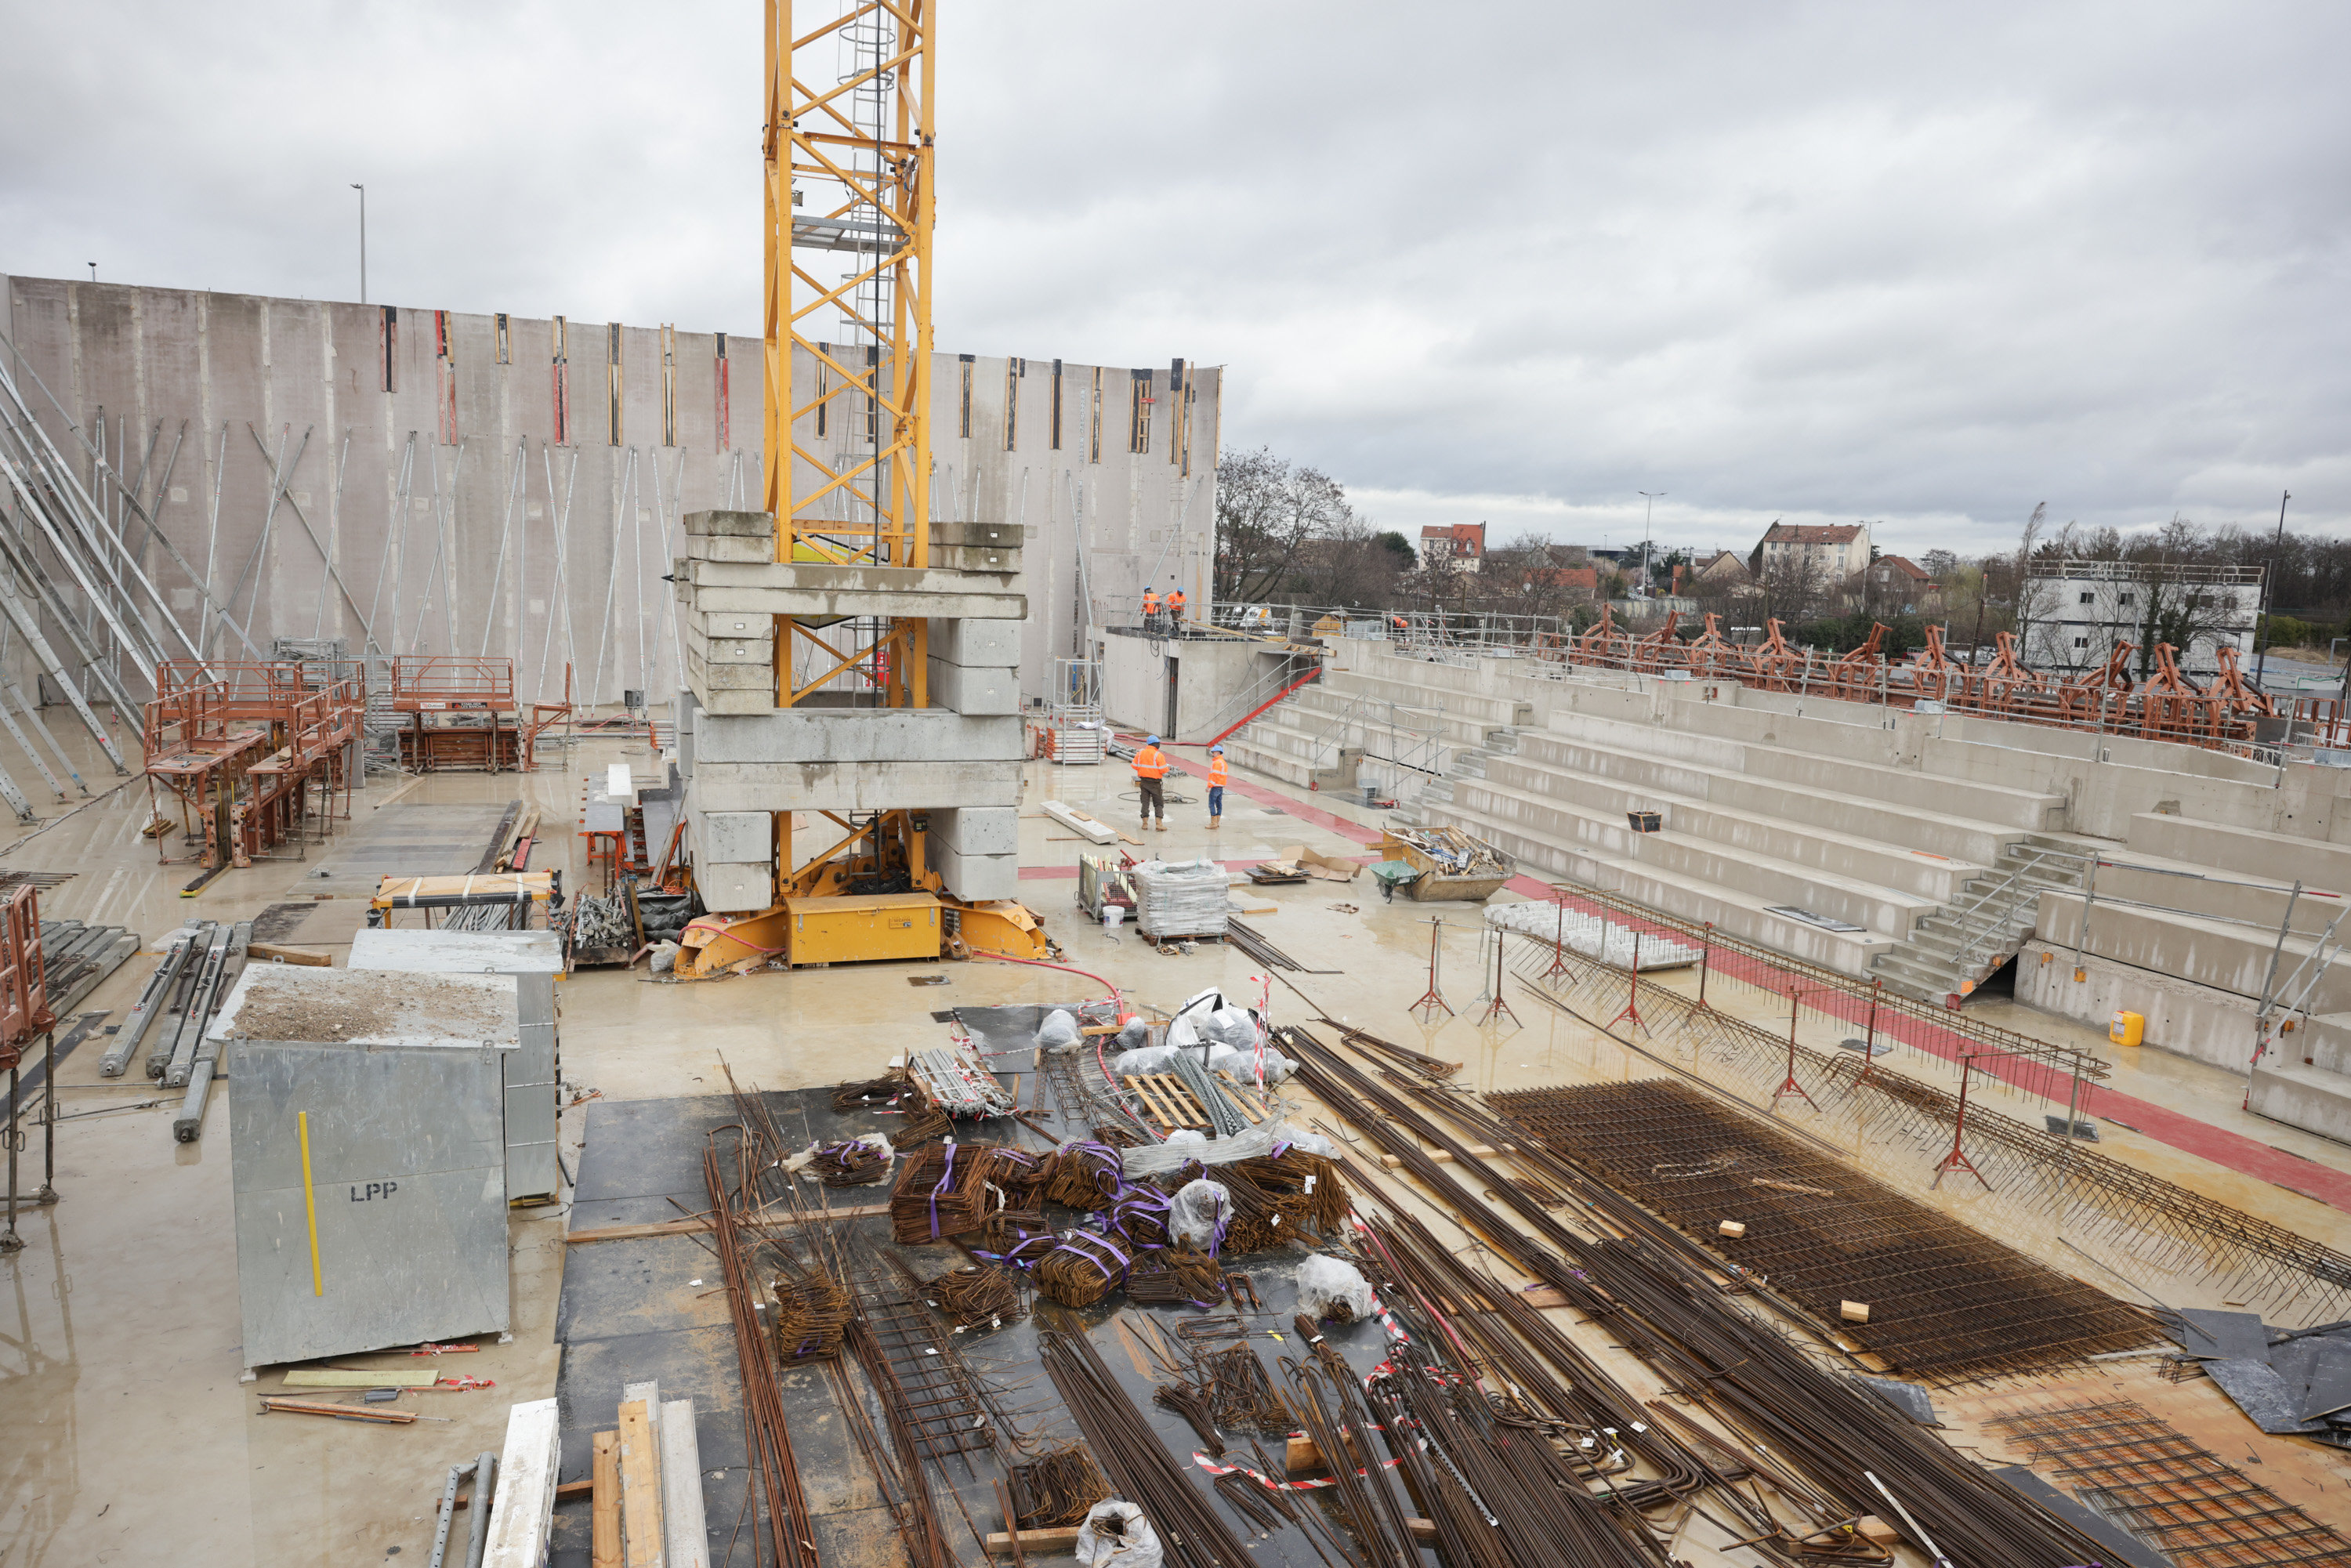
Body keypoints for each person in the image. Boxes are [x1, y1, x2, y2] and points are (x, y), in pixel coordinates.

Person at [1132, 733, 1170, 831]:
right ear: (1156, 744)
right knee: (1158, 802)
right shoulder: (1158, 755)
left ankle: (1145, 824)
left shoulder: (1140, 753)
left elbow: (1134, 765)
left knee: (1145, 802)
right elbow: (1164, 770)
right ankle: (1159, 824)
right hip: (1155, 783)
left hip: (1144, 782)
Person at [1205, 744, 1227, 827]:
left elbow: (1215, 776)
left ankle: (1213, 823)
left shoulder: (1217, 763)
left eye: (1213, 752)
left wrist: (1209, 786)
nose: (1212, 753)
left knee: (1211, 804)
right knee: (1219, 804)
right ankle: (1217, 822)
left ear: (1218, 752)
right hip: (1220, 787)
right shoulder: (1223, 763)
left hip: (1215, 786)